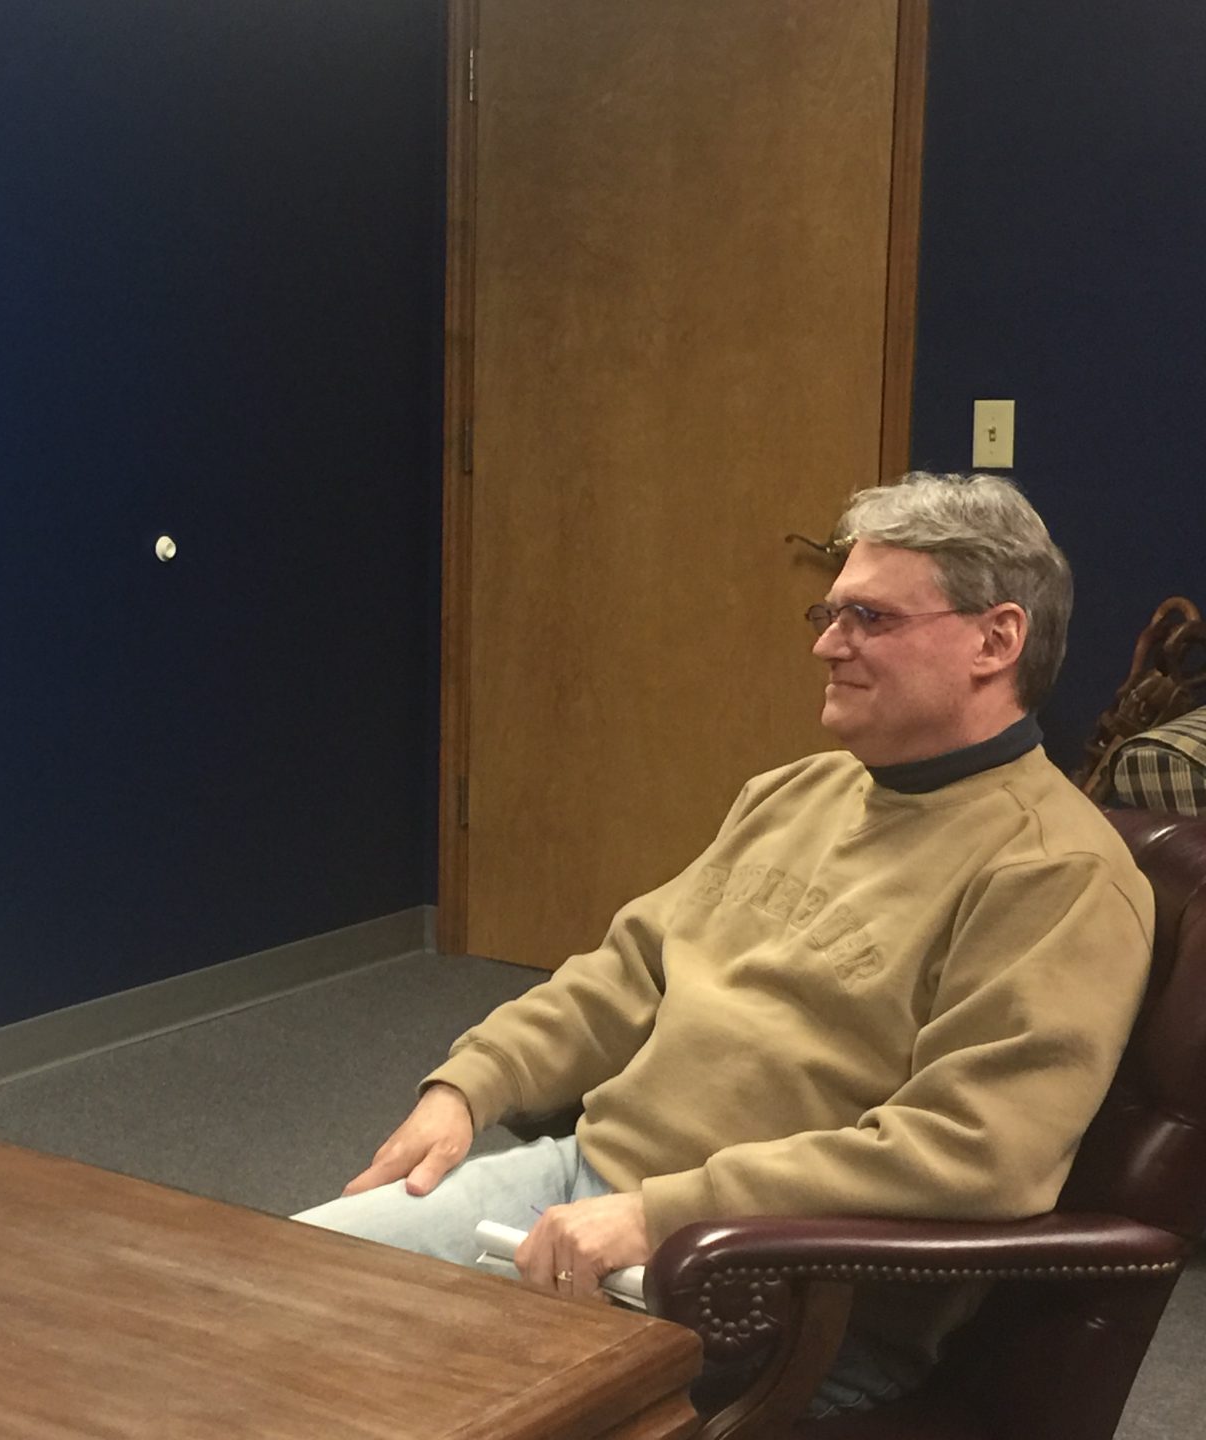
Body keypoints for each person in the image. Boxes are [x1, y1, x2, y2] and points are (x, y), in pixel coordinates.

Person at [296, 473, 1153, 1416]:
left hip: (768, 1286)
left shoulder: (1058, 874)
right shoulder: (796, 792)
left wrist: (661, 1217)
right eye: (828, 613)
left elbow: (973, 1151)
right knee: (257, 1288)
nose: (829, 644)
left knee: (365, 1396)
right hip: (588, 1188)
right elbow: (628, 971)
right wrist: (472, 1084)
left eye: (869, 618)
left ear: (996, 640)